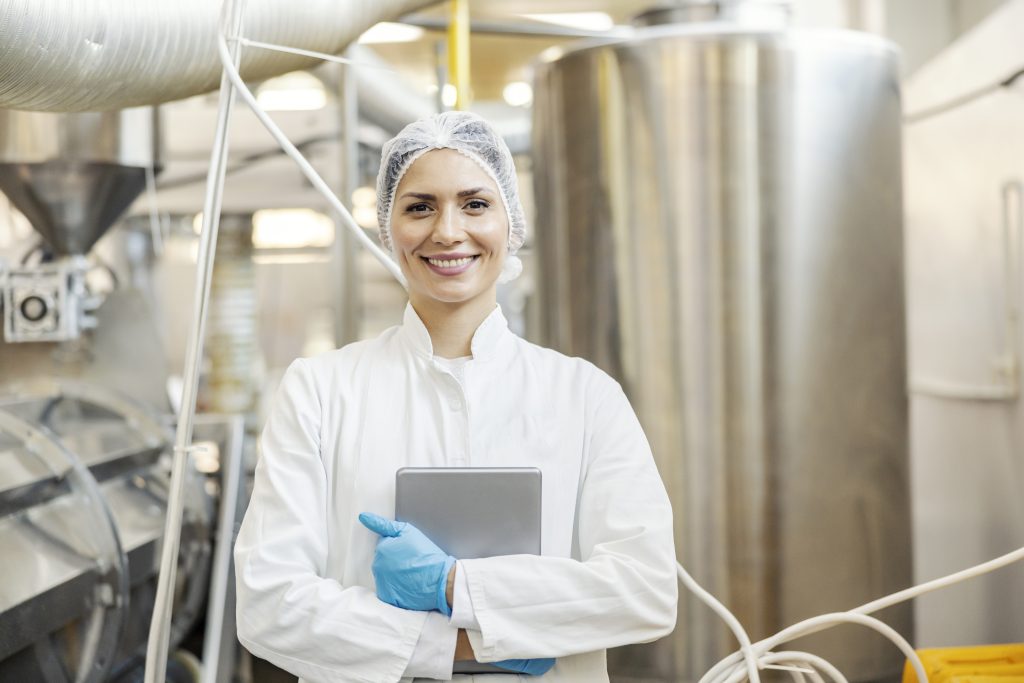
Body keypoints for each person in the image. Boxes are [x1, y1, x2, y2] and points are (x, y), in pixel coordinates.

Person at [234, 111, 678, 682]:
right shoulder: (320, 390)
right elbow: (269, 603)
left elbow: (644, 589)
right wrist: (454, 647)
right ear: (387, 227)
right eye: (420, 206)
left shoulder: (585, 395)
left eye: (475, 204)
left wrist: (452, 586)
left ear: (511, 223)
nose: (447, 231)